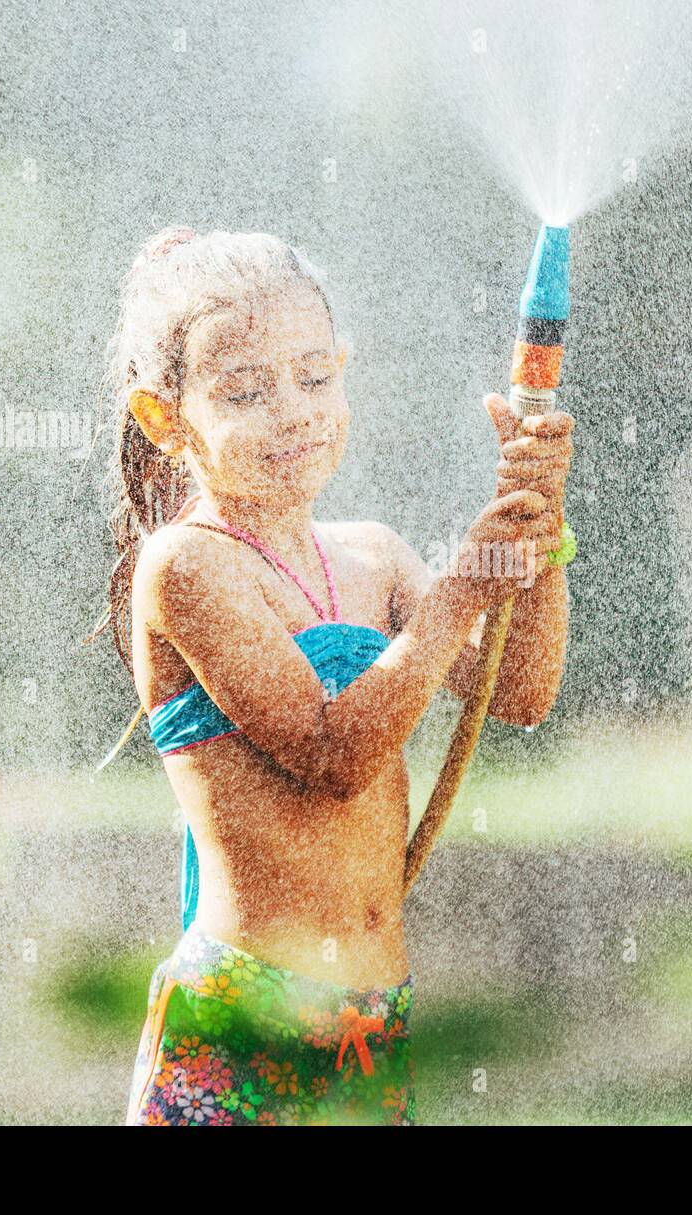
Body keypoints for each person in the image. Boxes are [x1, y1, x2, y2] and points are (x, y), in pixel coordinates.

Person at [90, 228, 573, 1125]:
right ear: (166, 418)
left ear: (344, 370)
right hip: (243, 1020)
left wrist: (539, 533)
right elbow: (332, 750)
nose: (293, 412)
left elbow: (522, 694)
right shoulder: (188, 567)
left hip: (372, 1028)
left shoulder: (375, 558)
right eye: (244, 391)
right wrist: (463, 588)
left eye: (315, 378)